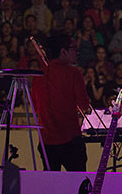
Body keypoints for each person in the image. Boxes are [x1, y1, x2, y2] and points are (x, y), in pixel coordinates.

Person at [29, 34, 91, 171]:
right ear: (63, 51)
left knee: (52, 188)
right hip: (71, 140)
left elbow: (35, 106)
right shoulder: (73, 73)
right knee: (78, 186)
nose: (77, 52)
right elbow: (84, 105)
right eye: (74, 48)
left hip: (47, 141)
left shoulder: (38, 75)